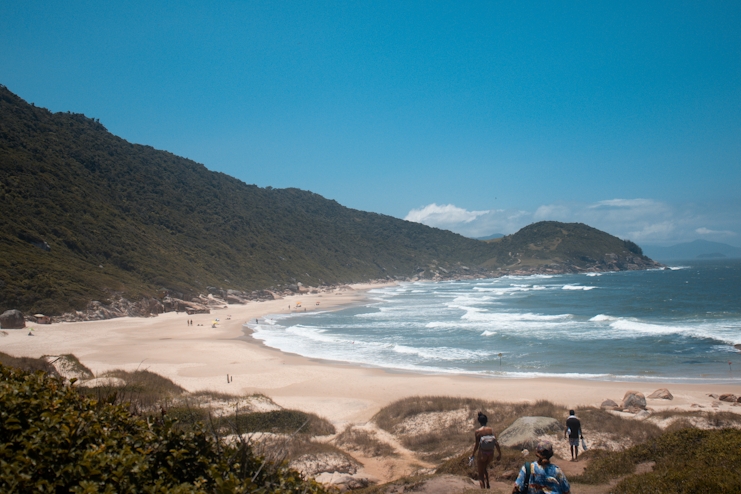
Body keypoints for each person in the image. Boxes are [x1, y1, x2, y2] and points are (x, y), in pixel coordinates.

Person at [470, 411, 501, 489]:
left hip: (482, 454)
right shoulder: (491, 430)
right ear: (486, 421)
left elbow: (477, 445)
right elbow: (496, 443)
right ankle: (488, 484)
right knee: (485, 468)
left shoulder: (478, 432)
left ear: (479, 421)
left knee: (480, 474)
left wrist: (473, 454)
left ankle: (483, 490)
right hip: (491, 454)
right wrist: (499, 454)